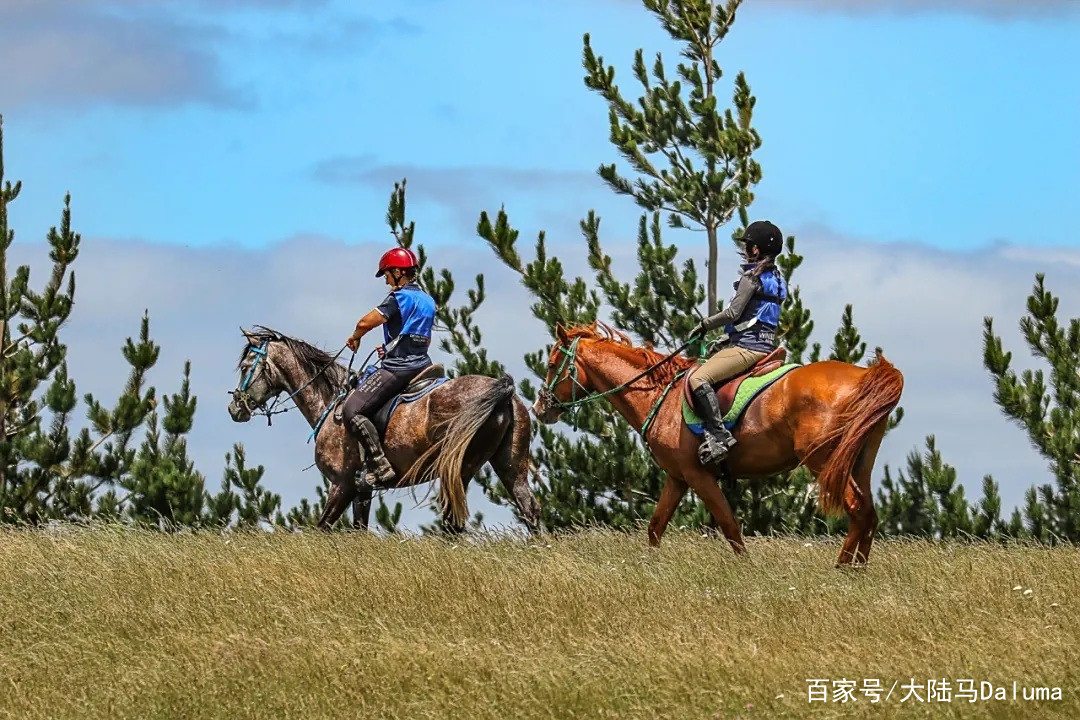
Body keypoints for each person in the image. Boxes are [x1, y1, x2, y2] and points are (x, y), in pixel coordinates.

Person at [687, 220, 787, 465]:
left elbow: (732, 313)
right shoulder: (777, 278)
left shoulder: (751, 278)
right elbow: (757, 316)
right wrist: (725, 337)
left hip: (747, 348)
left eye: (748, 246)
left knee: (698, 378)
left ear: (755, 250)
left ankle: (720, 435)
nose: (745, 250)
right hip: (766, 346)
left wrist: (703, 324)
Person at [342, 247, 436, 486]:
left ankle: (380, 465)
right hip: (423, 364)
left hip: (399, 368)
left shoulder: (399, 298)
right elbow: (416, 334)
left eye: (386, 274)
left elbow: (364, 322)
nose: (386, 280)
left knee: (352, 410)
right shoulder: (427, 299)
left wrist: (355, 336)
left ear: (397, 272)